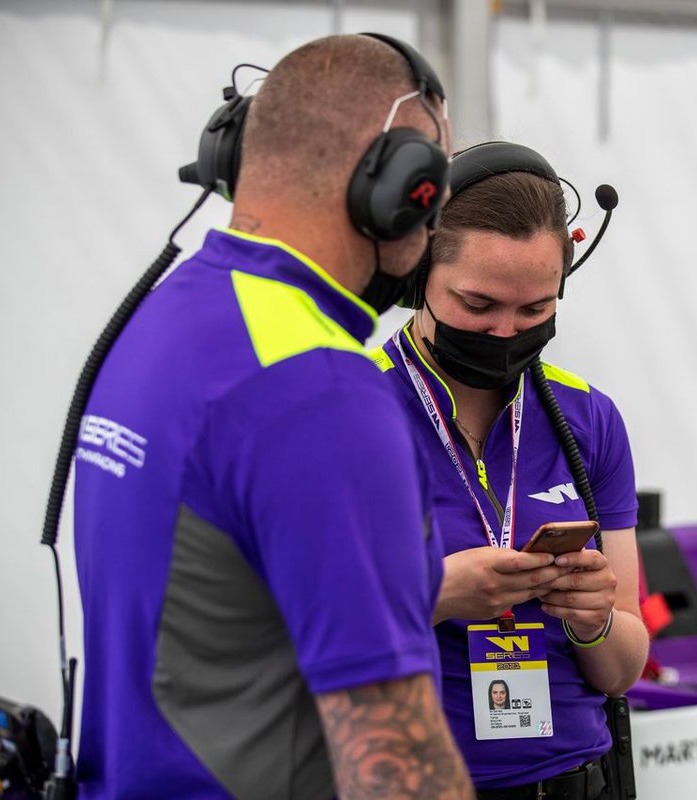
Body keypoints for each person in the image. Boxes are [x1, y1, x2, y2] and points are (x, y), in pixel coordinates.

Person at [73, 34, 473, 799]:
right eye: (433, 189)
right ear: (394, 187)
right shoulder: (319, 390)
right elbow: (395, 765)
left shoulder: (163, 320)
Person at [370, 141, 648, 799]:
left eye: (534, 310)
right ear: (417, 274)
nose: (504, 332)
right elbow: (286, 629)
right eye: (478, 304)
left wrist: (594, 619)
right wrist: (435, 593)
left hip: (576, 782)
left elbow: (623, 669)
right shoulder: (353, 408)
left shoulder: (589, 419)